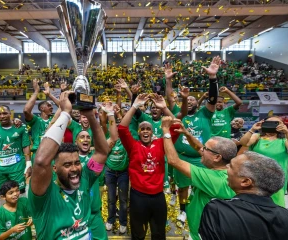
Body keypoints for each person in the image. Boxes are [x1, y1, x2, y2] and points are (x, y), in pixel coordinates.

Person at [28, 91, 109, 239]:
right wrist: (65, 113)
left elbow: (102, 153)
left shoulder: (84, 178)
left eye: (77, 163)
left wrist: (90, 115)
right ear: (54, 168)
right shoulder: (44, 194)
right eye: (67, 165)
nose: (74, 169)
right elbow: (40, 162)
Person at [162, 117, 236, 240]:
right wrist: (187, 134)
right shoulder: (223, 169)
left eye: (206, 149)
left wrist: (165, 130)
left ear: (217, 157)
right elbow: (198, 148)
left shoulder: (214, 179)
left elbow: (173, 161)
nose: (202, 150)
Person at [167, 56, 220, 225]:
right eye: (187, 100)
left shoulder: (205, 114)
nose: (189, 101)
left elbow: (212, 99)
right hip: (182, 157)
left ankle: (200, 209)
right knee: (182, 188)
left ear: (197, 103)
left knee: (201, 187)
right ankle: (182, 211)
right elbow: (170, 98)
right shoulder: (178, 113)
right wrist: (168, 81)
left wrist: (212, 78)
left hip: (202, 158)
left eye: (192, 100)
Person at [118, 93, 179, 240]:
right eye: (142, 129)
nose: (145, 131)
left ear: (152, 132)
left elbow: (176, 126)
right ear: (138, 133)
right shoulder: (133, 146)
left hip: (158, 196)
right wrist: (134, 106)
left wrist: (164, 108)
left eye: (148, 129)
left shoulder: (161, 143)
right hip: (138, 196)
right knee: (138, 234)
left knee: (158, 233)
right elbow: (122, 128)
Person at [199, 151, 288, 240]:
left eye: (231, 166)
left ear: (245, 182)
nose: (226, 167)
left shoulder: (217, 210)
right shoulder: (287, 216)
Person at [239, 117, 288, 207]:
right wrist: (252, 129)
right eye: (268, 123)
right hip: (256, 178)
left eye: (276, 123)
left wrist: (287, 132)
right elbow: (244, 143)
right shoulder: (257, 137)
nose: (272, 125)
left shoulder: (284, 140)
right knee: (256, 206)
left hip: (277, 180)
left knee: (277, 206)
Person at [0, 105, 31, 194]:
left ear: (10, 113)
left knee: (19, 192)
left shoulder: (20, 127)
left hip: (17, 168)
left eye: (5, 113)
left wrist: (28, 164)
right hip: (0, 169)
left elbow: (26, 146)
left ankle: (21, 208)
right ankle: (4, 208)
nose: (2, 116)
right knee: (2, 193)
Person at [101, 104, 129, 234]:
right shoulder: (109, 137)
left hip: (123, 172)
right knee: (111, 198)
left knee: (123, 199)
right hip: (110, 172)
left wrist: (117, 114)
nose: (117, 127)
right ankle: (111, 220)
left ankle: (123, 222)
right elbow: (104, 122)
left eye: (119, 124)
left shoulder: (126, 138)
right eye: (115, 125)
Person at [23, 80, 55, 164]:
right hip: (38, 153)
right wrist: (36, 91)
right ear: (41, 108)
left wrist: (50, 95)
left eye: (52, 106)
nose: (51, 107)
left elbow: (64, 108)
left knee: (54, 177)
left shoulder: (55, 119)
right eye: (49, 105)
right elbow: (26, 110)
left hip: (54, 153)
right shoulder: (36, 120)